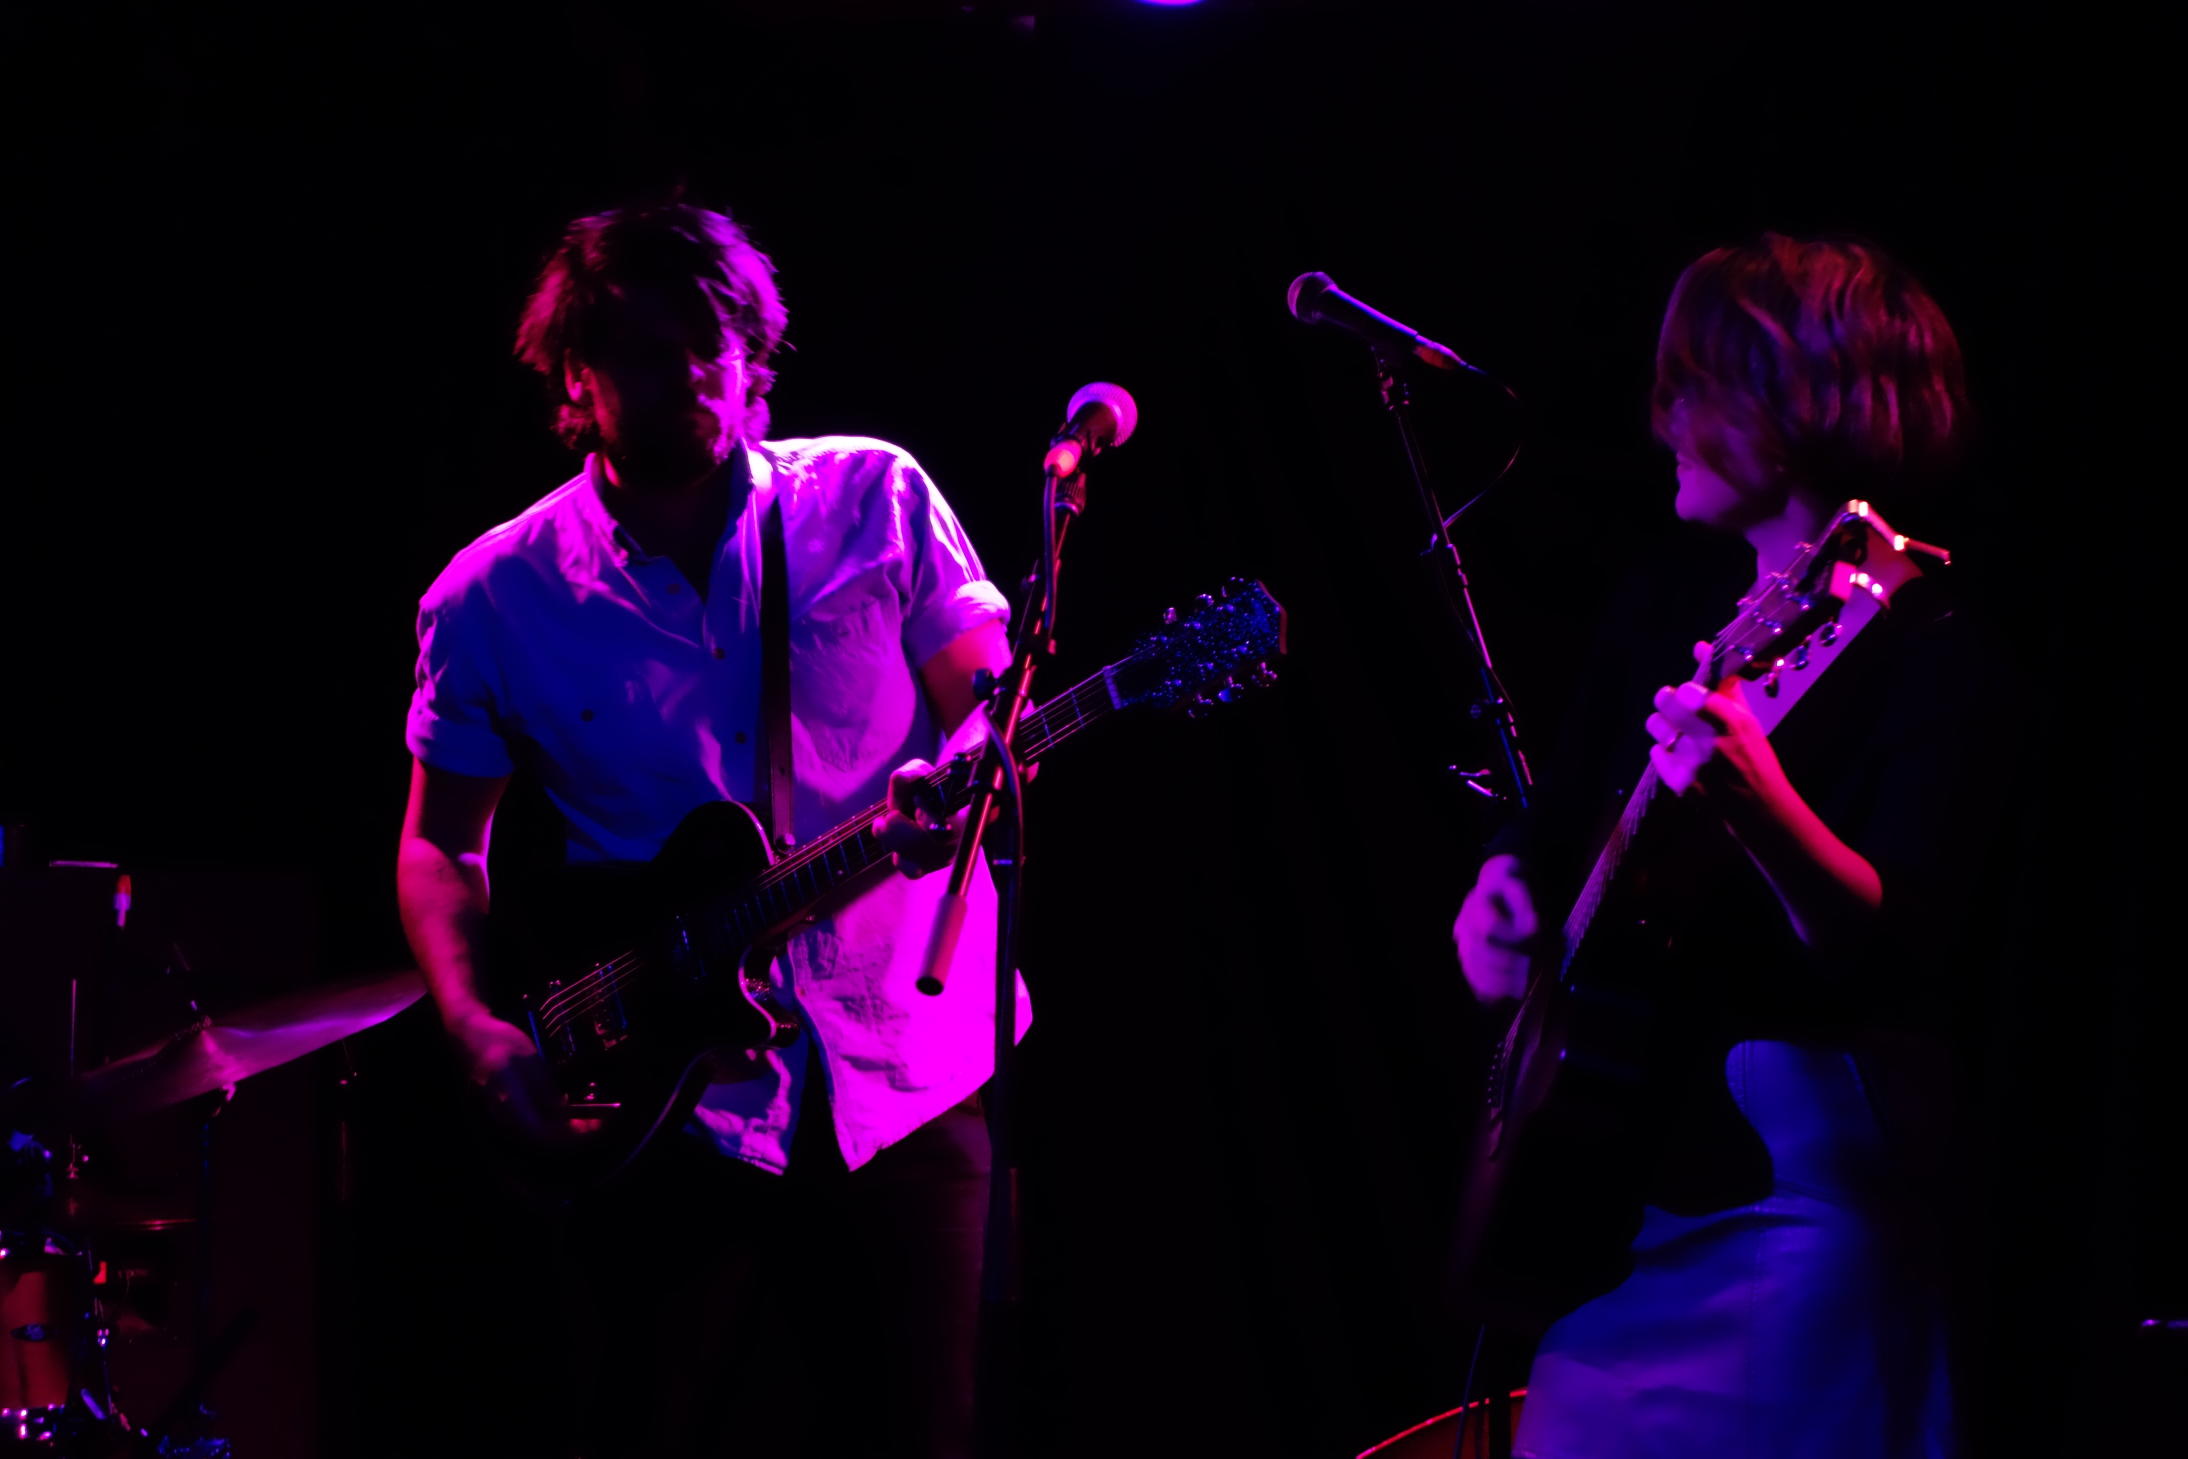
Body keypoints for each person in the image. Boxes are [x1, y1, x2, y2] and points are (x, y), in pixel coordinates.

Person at [394, 199, 1027, 1458]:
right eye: (644, 350)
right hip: (667, 1102)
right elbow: (438, 846)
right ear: (575, 377)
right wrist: (472, 1026)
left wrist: (959, 775)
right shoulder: (494, 595)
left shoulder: (873, 496)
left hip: (905, 1070)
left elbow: (989, 715)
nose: (690, 373)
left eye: (712, 343)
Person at [1452, 234, 2014, 1459]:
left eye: (1694, 389)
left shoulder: (1932, 645)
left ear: (1795, 402)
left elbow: (1903, 947)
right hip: (1632, 1195)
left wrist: (1758, 799)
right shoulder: (1664, 604)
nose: (1663, 421)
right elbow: (1558, 822)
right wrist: (1501, 883)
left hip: (1799, 1199)